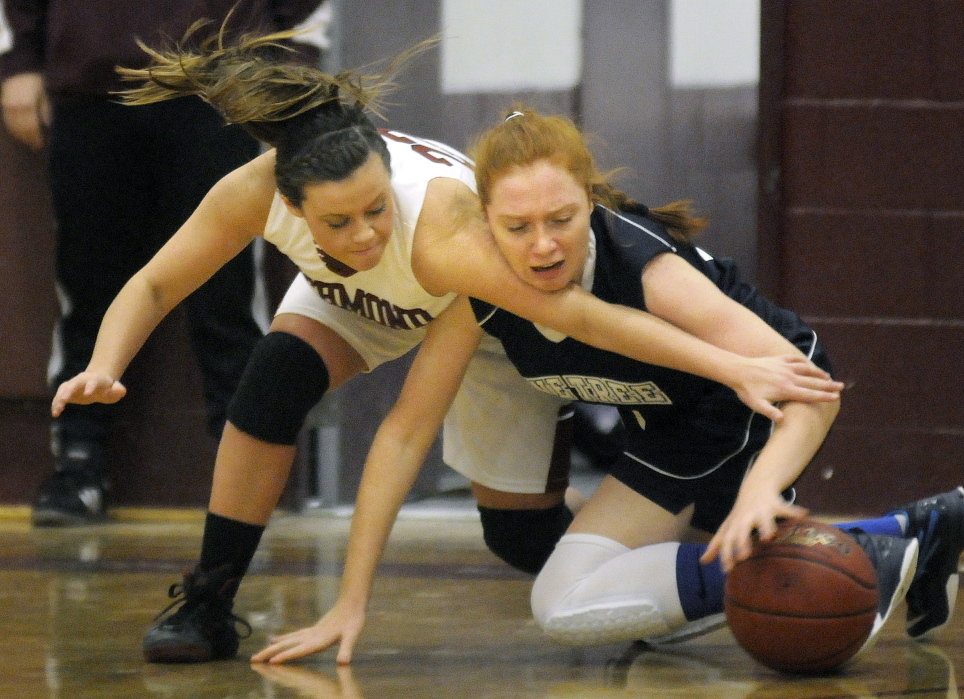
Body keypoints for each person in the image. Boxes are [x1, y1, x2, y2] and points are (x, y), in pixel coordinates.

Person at [49, 30, 843, 663]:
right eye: (336, 223)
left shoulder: (442, 241)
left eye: (372, 211)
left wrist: (732, 363)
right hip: (358, 304)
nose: (362, 234)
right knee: (272, 377)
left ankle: (679, 583)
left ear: (384, 174)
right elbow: (153, 284)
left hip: (474, 322)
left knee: (520, 537)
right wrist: (103, 365)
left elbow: (585, 316)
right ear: (287, 200)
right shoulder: (251, 192)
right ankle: (210, 597)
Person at [250, 109, 964, 664]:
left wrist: (761, 490)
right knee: (589, 594)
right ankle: (902, 535)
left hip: (738, 419)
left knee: (570, 603)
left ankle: (861, 550)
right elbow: (405, 430)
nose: (542, 245)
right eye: (517, 226)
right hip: (665, 434)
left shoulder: (645, 270)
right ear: (483, 223)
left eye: (561, 219)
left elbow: (811, 385)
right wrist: (349, 601)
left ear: (588, 201)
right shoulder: (480, 289)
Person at [0, 0, 330, 525]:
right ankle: (79, 463)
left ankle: (245, 461)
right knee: (88, 289)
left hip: (223, 83)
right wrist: (19, 61)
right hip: (92, 86)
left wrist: (299, 57)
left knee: (227, 293)